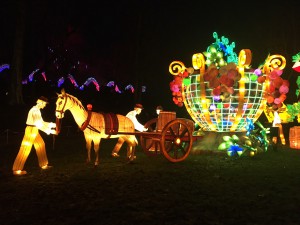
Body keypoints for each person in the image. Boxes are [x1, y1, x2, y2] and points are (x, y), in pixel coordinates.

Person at [12, 96, 57, 175]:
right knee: (25, 148)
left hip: (34, 130)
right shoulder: (35, 111)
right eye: (45, 104)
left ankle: (44, 165)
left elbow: (41, 122)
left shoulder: (37, 110)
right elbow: (38, 124)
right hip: (31, 130)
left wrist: (52, 125)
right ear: (41, 102)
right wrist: (50, 131)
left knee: (41, 145)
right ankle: (17, 169)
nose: (45, 105)